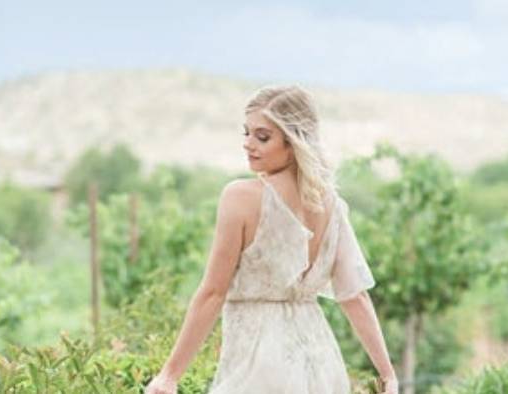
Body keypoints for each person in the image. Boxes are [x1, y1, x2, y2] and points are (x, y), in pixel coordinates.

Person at [145, 85, 398, 394]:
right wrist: (388, 374)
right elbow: (354, 296)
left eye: (262, 137)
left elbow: (213, 292)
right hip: (320, 365)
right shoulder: (330, 204)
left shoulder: (240, 198)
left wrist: (169, 375)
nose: (248, 144)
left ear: (293, 143)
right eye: (246, 133)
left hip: (259, 366)